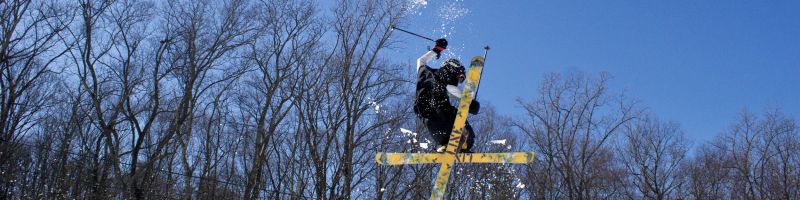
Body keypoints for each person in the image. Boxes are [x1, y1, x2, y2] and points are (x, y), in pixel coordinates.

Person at [413, 38, 480, 153]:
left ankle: (442, 144)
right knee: (453, 113)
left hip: (423, 111)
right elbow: (450, 88)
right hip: (440, 109)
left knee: (437, 129)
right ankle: (465, 140)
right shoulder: (444, 75)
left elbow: (421, 60)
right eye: (459, 77)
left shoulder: (424, 71)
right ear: (453, 67)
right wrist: (468, 102)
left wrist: (437, 49)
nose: (458, 81)